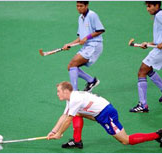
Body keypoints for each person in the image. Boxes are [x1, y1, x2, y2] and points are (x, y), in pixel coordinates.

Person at [47, 81, 162, 148]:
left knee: (125, 140)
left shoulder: (75, 99)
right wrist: (53, 131)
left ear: (66, 91)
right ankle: (77, 141)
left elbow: (68, 120)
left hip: (106, 114)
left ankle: (157, 135)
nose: (57, 94)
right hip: (99, 113)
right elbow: (64, 116)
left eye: (59, 91)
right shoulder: (71, 98)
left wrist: (59, 134)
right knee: (77, 113)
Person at [61, 1, 105, 148]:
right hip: (86, 45)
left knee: (72, 64)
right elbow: (80, 38)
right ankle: (91, 81)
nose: (79, 8)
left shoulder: (92, 15)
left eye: (81, 6)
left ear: (86, 5)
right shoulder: (80, 18)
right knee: (71, 66)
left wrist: (88, 37)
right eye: (77, 6)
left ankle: (74, 92)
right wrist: (70, 44)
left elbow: (100, 30)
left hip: (94, 46)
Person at [130, 1, 162, 113]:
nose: (147, 9)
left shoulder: (160, 15)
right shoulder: (158, 15)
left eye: (149, 6)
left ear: (157, 5)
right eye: (147, 6)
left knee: (141, 72)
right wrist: (149, 43)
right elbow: (161, 35)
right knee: (148, 70)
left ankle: (143, 105)